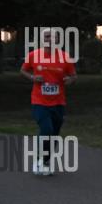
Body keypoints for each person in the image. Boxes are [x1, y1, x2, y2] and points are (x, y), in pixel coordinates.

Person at [20, 28, 77, 175]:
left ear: (57, 39)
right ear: (42, 39)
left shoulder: (65, 57)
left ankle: (45, 160)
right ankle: (39, 160)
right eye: (46, 37)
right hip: (39, 101)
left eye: (53, 37)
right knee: (47, 130)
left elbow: (74, 76)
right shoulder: (33, 55)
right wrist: (32, 78)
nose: (49, 39)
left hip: (58, 102)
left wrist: (69, 80)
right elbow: (23, 70)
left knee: (54, 134)